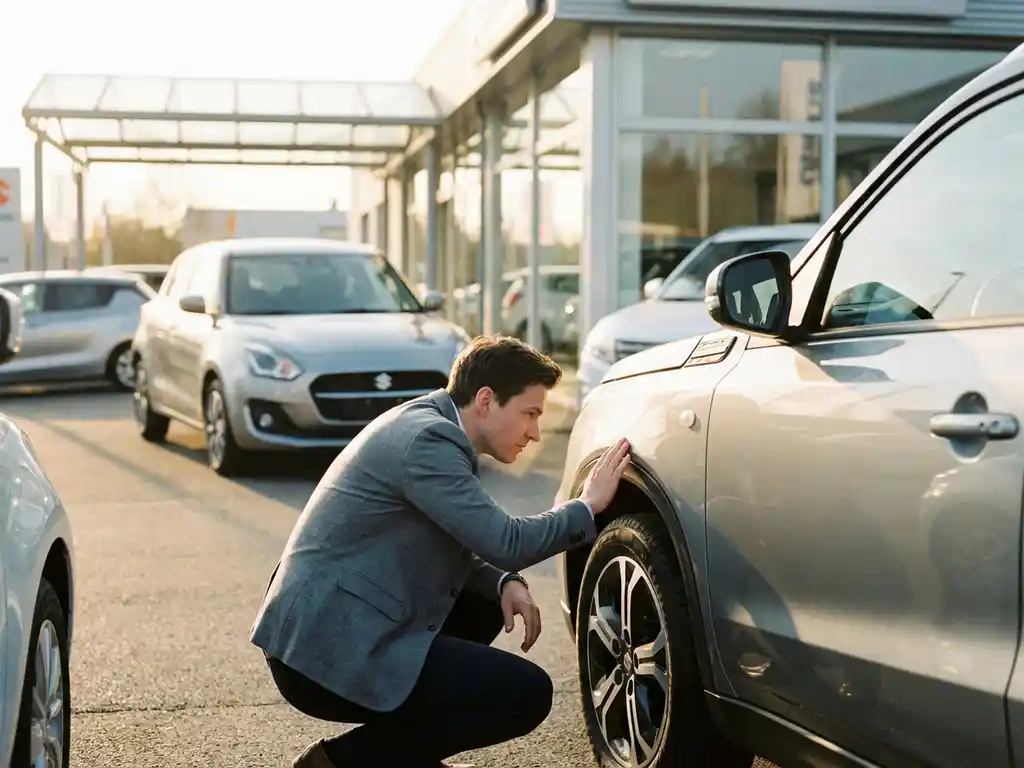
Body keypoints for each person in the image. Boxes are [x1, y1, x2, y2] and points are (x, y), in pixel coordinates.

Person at [249, 335, 632, 768]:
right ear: (486, 400)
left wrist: (503, 581)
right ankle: (339, 763)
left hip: (339, 625)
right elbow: (507, 541)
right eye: (529, 413)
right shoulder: (428, 441)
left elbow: (462, 540)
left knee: (485, 603)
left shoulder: (432, 426)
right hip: (325, 649)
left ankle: (409, 757)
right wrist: (586, 506)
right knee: (525, 693)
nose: (535, 432)